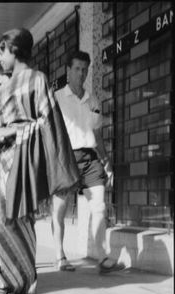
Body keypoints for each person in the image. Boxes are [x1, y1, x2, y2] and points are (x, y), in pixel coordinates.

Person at [0, 28, 80, 294]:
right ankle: (13, 279)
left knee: (13, 216)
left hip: (25, 156)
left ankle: (14, 281)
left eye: (1, 51)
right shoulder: (3, 89)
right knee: (0, 218)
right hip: (4, 160)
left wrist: (12, 132)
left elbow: (47, 121)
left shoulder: (37, 79)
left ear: (14, 49)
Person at [52, 50, 124, 274]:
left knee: (100, 206)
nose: (81, 74)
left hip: (90, 158)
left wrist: (106, 162)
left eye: (85, 69)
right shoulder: (57, 98)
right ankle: (60, 256)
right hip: (66, 158)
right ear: (68, 71)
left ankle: (102, 257)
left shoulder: (92, 99)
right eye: (77, 69)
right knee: (60, 210)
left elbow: (98, 135)